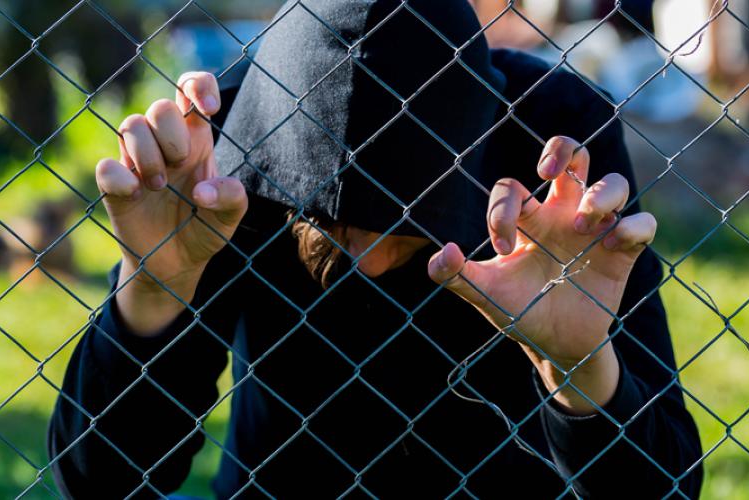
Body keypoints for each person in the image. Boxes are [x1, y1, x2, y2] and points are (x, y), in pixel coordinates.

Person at [49, 0, 703, 497]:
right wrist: (151, 289)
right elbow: (102, 478)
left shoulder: (553, 148)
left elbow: (664, 483)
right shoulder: (226, 150)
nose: (365, 261)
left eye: (407, 219)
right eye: (328, 219)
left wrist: (580, 368)